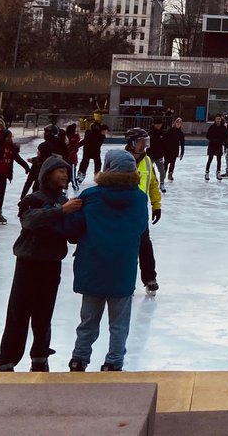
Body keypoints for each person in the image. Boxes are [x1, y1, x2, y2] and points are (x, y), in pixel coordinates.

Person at [0, 155, 83, 371]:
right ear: (47, 174)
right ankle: (8, 358)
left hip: (52, 263)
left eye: (66, 171)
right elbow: (30, 221)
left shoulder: (65, 202)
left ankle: (40, 355)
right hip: (28, 263)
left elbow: (72, 234)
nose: (64, 175)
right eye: (59, 171)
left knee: (44, 313)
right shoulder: (32, 199)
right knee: (19, 312)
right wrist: (61, 212)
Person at [65, 149, 149, 372]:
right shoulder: (140, 198)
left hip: (92, 265)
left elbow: (73, 230)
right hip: (123, 267)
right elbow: (141, 229)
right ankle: (113, 362)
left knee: (88, 321)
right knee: (119, 324)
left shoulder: (90, 196)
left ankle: (79, 359)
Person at [123, 127, 162, 293]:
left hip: (140, 211)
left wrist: (156, 205)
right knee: (123, 246)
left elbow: (153, 184)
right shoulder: (121, 159)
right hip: (121, 210)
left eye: (145, 142)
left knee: (145, 245)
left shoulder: (147, 160)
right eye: (140, 142)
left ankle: (149, 278)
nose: (144, 146)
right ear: (132, 143)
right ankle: (123, 278)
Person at [0, 127, 31, 225]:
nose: (9, 139)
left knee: (1, 194)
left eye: (10, 137)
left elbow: (17, 158)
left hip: (4, 174)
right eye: (8, 137)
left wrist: (26, 167)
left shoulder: (11, 148)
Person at [205, 114, 228, 181]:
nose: (218, 120)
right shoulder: (212, 127)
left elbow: (225, 137)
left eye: (219, 119)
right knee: (210, 159)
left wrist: (223, 143)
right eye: (217, 118)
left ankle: (218, 173)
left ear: (221, 119)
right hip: (212, 145)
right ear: (215, 119)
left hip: (219, 145)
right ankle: (207, 173)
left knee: (219, 160)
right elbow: (207, 136)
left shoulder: (223, 128)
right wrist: (213, 139)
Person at [147, 117, 167, 189]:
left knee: (162, 170)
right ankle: (154, 181)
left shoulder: (163, 133)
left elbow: (165, 144)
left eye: (159, 124)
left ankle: (162, 183)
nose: (158, 126)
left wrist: (164, 152)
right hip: (150, 155)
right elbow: (147, 144)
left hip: (159, 155)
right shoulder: (150, 133)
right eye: (156, 124)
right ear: (154, 125)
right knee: (150, 169)